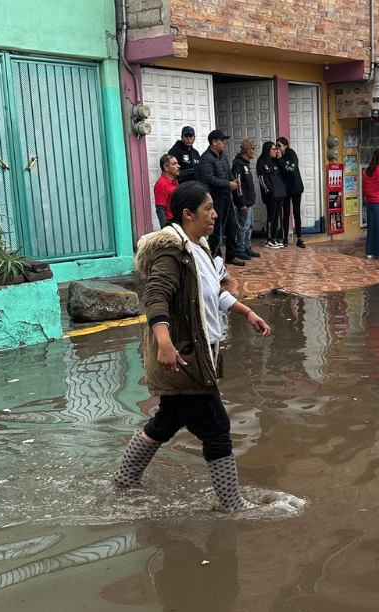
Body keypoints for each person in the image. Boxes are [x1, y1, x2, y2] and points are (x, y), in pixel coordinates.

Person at [112, 180, 272, 512]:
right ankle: (232, 504)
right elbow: (155, 296)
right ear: (187, 214)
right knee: (217, 429)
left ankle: (124, 481)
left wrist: (248, 312)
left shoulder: (200, 248)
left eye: (213, 208)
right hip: (186, 358)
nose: (215, 214)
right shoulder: (173, 251)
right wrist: (164, 343)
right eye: (208, 209)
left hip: (198, 354)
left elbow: (214, 294)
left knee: (167, 421)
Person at [197, 130, 243, 265]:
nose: (224, 143)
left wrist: (233, 180)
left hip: (226, 197)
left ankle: (231, 255)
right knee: (215, 228)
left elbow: (227, 172)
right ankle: (216, 257)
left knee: (232, 227)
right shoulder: (206, 158)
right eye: (222, 141)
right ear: (214, 142)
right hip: (215, 198)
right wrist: (227, 184)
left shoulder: (223, 157)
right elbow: (208, 179)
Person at [231, 139, 261, 261]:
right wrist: (241, 202)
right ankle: (240, 249)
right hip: (243, 202)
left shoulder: (245, 163)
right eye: (253, 149)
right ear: (247, 150)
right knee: (243, 226)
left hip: (249, 202)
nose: (254, 152)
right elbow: (238, 185)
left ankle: (247, 247)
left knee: (249, 225)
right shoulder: (238, 164)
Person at [257, 141, 288, 249]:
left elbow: (282, 174)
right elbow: (262, 179)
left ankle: (275, 238)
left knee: (277, 217)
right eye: (274, 149)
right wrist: (269, 191)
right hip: (271, 195)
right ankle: (269, 239)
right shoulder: (261, 162)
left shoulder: (275, 162)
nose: (276, 151)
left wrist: (279, 158)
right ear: (267, 150)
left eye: (276, 149)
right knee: (271, 217)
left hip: (280, 194)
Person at [276, 137, 307, 248]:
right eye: (276, 146)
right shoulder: (277, 157)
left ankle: (299, 238)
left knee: (296, 213)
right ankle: (285, 238)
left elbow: (291, 169)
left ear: (285, 146)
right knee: (286, 213)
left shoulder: (291, 154)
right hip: (285, 189)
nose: (278, 148)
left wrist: (280, 160)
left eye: (279, 146)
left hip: (296, 187)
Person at [153, 154, 180, 229]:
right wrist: (165, 228)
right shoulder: (161, 184)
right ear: (166, 167)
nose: (178, 166)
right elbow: (160, 209)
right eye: (174, 164)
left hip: (178, 222)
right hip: (171, 224)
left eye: (177, 163)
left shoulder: (175, 181)